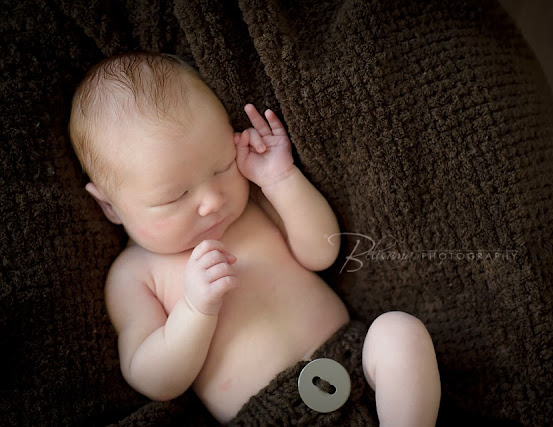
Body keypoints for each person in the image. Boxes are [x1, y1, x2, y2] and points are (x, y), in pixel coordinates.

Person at [68, 52, 440, 426]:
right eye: (175, 197)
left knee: (399, 332)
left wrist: (281, 180)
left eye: (221, 166)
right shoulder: (134, 275)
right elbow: (153, 378)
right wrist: (195, 310)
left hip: (357, 363)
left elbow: (323, 252)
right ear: (109, 206)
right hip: (270, 417)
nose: (212, 200)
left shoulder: (252, 207)